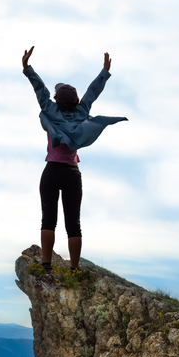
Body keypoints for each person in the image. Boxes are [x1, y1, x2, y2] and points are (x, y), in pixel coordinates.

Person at [22, 46, 127, 272]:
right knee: (74, 224)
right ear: (76, 100)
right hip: (71, 173)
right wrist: (104, 72)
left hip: (51, 172)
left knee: (48, 220)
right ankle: (75, 269)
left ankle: (46, 264)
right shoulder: (81, 112)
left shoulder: (49, 110)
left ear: (56, 99)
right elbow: (92, 93)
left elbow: (39, 88)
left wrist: (27, 68)